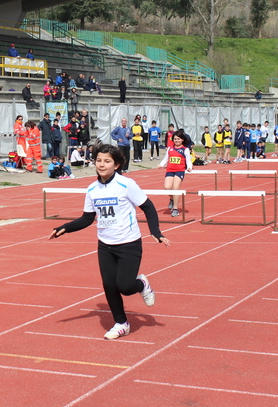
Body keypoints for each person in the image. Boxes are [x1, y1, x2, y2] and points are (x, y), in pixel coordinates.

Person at [49, 144, 170, 340]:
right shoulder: (92, 189)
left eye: (107, 161)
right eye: (98, 161)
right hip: (105, 245)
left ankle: (141, 285)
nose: (102, 165)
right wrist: (65, 228)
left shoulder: (126, 184)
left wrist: (155, 231)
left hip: (128, 243)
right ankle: (121, 323)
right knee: (109, 285)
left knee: (124, 285)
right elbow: (87, 218)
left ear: (116, 164)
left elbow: (148, 207)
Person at [158, 129, 193, 218]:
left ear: (182, 140)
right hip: (170, 170)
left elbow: (188, 161)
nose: (177, 141)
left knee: (176, 188)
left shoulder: (185, 150)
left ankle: (175, 209)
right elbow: (166, 158)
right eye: (175, 139)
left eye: (179, 139)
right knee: (167, 187)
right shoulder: (170, 148)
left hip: (179, 170)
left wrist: (189, 167)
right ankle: (172, 199)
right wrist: (161, 164)